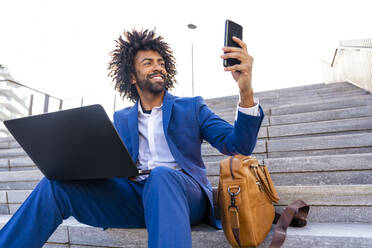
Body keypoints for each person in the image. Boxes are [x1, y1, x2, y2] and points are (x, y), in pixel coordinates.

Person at [0, 29, 263, 248]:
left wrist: (246, 91)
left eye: (160, 62)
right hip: (136, 197)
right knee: (54, 186)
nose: (157, 66)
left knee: (161, 176)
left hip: (183, 197)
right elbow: (110, 165)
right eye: (148, 63)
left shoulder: (192, 108)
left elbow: (238, 145)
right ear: (132, 77)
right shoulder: (121, 118)